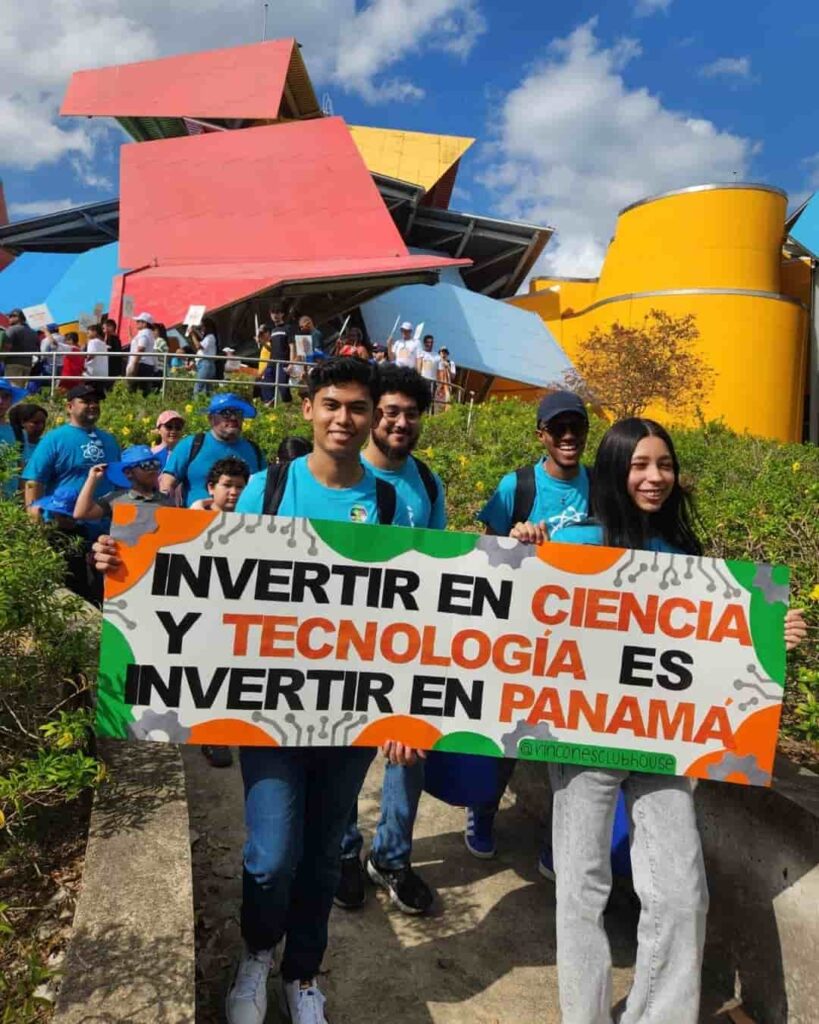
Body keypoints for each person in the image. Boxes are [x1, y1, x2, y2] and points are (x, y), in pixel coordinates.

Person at [94, 358, 414, 1024]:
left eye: (357, 407)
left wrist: (404, 710)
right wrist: (120, 557)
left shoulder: (392, 502)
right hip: (268, 710)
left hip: (351, 715)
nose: (344, 419)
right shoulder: (266, 489)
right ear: (307, 408)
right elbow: (204, 573)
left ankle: (302, 977)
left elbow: (411, 616)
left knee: (325, 856)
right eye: (331, 404)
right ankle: (256, 956)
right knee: (270, 857)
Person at [513, 416, 806, 1024]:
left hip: (662, 746)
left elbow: (704, 653)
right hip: (582, 740)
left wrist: (769, 636)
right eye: (640, 464)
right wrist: (517, 555)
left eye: (664, 464)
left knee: (680, 894)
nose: (654, 477)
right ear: (616, 471)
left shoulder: (689, 557)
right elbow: (520, 621)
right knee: (581, 890)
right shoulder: (573, 543)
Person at [336, 364, 445, 917]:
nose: (401, 422)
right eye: (390, 412)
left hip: (411, 641)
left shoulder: (428, 483)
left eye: (411, 413)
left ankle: (392, 857)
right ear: (373, 416)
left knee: (410, 752)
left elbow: (443, 563)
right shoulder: (344, 478)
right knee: (342, 747)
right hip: (342, 640)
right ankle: (344, 852)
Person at [466, 391, 591, 866]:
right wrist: (515, 538)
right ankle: (482, 809)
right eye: (556, 428)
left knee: (572, 744)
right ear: (540, 434)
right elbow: (487, 555)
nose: (567, 436)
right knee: (507, 734)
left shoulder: (600, 487)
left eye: (575, 427)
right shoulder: (516, 485)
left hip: (579, 638)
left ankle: (557, 844)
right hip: (520, 634)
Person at [23, 383, 120, 521]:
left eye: (96, 401)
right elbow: (34, 480)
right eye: (85, 401)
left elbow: (119, 482)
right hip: (64, 525)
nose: (93, 405)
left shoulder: (110, 440)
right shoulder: (54, 438)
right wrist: (33, 515)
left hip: (104, 526)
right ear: (69, 407)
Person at [159, 392, 264, 506]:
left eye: (238, 413)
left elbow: (265, 488)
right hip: (196, 519)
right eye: (226, 413)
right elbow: (167, 483)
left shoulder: (253, 450)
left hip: (241, 521)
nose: (233, 418)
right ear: (211, 419)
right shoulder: (191, 445)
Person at [31, 487, 103, 606]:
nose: (68, 520)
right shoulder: (48, 531)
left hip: (78, 584)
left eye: (69, 516)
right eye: (60, 515)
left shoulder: (84, 532)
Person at [73, 445, 171, 522]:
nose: (153, 470)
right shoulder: (115, 499)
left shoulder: (168, 501)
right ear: (128, 473)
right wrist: (92, 479)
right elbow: (81, 513)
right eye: (147, 465)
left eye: (155, 464)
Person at [0, 376, 27, 496]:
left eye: (5, 396)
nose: (0, 401)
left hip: (10, 506)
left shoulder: (17, 432)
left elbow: (21, 468)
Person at [3, 309, 40, 383]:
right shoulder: (33, 332)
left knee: (12, 388)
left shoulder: (12, 329)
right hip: (28, 365)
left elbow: (7, 346)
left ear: (18, 318)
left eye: (11, 316)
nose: (9, 318)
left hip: (13, 364)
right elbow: (36, 348)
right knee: (22, 390)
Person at [9, 402, 48, 471]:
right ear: (22, 422)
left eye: (43, 422)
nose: (41, 426)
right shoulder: (12, 445)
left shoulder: (47, 445)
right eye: (35, 422)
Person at [127, 312, 159, 394]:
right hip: (147, 365)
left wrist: (135, 365)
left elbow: (141, 348)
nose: (136, 323)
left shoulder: (144, 333)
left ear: (144, 323)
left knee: (133, 390)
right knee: (144, 392)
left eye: (138, 321)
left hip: (141, 365)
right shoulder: (149, 333)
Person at [192, 317, 219, 396]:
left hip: (206, 363)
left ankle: (196, 406)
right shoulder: (209, 337)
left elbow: (198, 346)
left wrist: (192, 335)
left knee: (198, 389)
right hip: (206, 363)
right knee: (207, 390)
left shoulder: (210, 337)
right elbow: (201, 339)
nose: (202, 329)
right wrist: (195, 331)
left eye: (203, 326)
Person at [83, 324, 110, 388]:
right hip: (103, 374)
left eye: (88, 332)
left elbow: (91, 355)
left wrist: (83, 364)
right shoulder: (103, 343)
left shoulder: (93, 342)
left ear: (95, 332)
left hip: (92, 374)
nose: (87, 334)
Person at [416, 334, 440, 400]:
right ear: (424, 343)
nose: (430, 344)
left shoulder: (437, 356)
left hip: (433, 381)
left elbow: (439, 371)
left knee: (430, 400)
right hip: (423, 379)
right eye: (428, 342)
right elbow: (419, 366)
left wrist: (438, 384)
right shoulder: (421, 353)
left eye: (431, 342)